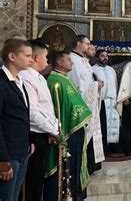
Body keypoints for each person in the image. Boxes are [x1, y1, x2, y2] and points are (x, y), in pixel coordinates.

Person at [43, 51, 92, 201]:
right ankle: (71, 194)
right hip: (69, 130)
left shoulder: (63, 79)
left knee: (73, 164)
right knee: (69, 165)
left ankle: (75, 192)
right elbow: (68, 106)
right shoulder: (56, 81)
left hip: (74, 128)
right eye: (68, 60)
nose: (71, 62)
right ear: (59, 62)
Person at [20, 40, 59, 201]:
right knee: (32, 179)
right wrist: (52, 129)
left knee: (38, 179)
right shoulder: (26, 77)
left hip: (44, 133)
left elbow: (47, 108)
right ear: (37, 58)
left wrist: (53, 126)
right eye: (46, 57)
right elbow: (33, 112)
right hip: (34, 135)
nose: (48, 61)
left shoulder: (40, 78)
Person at [0, 38, 33, 201]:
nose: (30, 59)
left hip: (22, 150)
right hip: (8, 154)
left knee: (14, 197)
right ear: (12, 56)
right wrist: (3, 159)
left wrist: (29, 142)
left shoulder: (20, 81)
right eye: (27, 55)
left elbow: (21, 117)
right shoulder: (2, 82)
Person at [68, 35, 104, 173]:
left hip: (91, 104)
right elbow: (78, 87)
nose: (89, 47)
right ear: (78, 43)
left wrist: (96, 85)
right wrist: (96, 85)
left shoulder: (82, 60)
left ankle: (88, 167)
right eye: (87, 44)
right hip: (82, 108)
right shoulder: (73, 60)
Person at [92, 50, 119, 154]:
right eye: (102, 56)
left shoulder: (111, 70)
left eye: (106, 56)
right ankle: (104, 148)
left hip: (113, 101)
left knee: (115, 124)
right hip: (102, 101)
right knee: (103, 124)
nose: (105, 58)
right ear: (97, 57)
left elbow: (115, 84)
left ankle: (113, 147)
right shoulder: (93, 69)